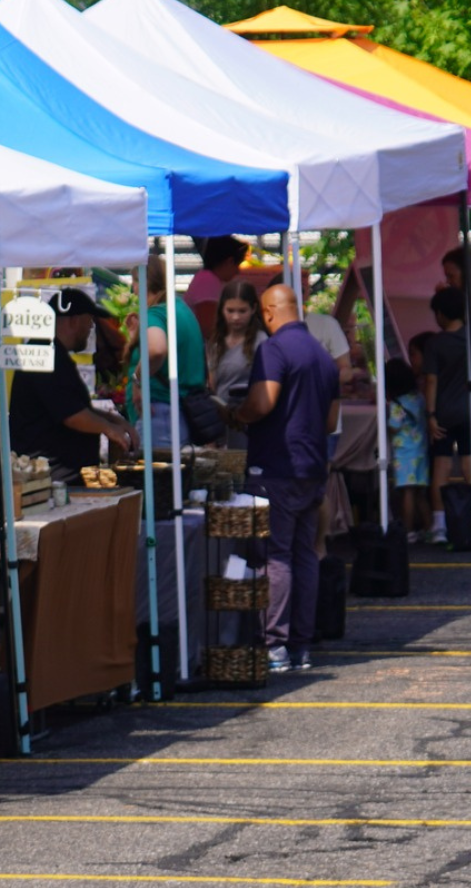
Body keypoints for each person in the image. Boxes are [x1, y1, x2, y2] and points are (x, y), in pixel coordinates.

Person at [230, 284, 340, 673]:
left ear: (269, 312)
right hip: (311, 467)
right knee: (304, 554)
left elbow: (263, 402)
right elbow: (330, 421)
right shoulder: (325, 359)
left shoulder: (273, 350)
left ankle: (274, 644)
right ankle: (300, 646)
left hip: (275, 466)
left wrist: (238, 415)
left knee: (274, 556)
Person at [11, 288, 140, 484]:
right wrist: (108, 428)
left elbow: (75, 406)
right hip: (52, 476)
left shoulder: (55, 353)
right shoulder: (44, 356)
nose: (91, 329)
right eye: (90, 321)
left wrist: (111, 419)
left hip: (65, 472)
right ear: (74, 320)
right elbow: (71, 415)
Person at [126, 257, 207, 449]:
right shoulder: (182, 310)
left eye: (135, 283)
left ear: (144, 283)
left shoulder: (156, 314)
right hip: (179, 414)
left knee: (158, 477)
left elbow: (156, 349)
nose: (133, 290)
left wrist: (137, 381)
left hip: (158, 416)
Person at [421, 286, 471, 545]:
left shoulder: (434, 343)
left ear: (441, 314)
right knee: (469, 465)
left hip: (443, 410)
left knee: (441, 468)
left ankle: (440, 524)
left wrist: (430, 414)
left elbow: (431, 381)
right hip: (469, 408)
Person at [206, 279, 266, 448]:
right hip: (221, 423)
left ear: (253, 309)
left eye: (242, 311)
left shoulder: (261, 342)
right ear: (222, 310)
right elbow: (213, 385)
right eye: (230, 310)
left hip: (250, 422)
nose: (235, 317)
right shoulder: (215, 343)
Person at [384, 358, 430, 543]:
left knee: (407, 493)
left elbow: (394, 427)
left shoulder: (397, 405)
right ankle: (429, 528)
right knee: (420, 494)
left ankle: (408, 530)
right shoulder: (418, 397)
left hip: (404, 454)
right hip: (420, 451)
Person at [185, 235, 250, 340]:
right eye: (237, 265)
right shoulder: (208, 281)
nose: (238, 271)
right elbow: (209, 327)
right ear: (229, 261)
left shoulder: (208, 279)